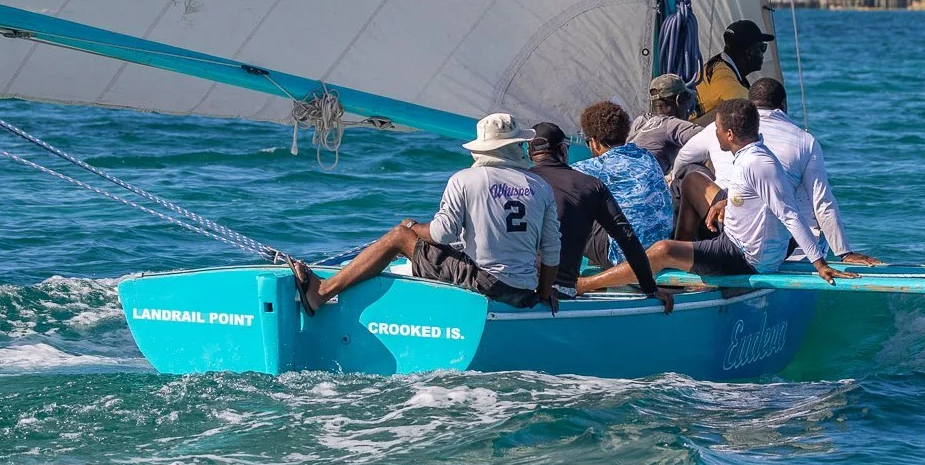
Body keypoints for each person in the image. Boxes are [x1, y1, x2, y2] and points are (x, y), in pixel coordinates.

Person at [289, 113, 561, 314]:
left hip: (487, 285)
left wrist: (413, 228)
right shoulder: (540, 187)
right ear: (517, 146)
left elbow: (443, 234)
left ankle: (320, 293)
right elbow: (551, 251)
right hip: (525, 291)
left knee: (398, 236)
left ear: (482, 148)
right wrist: (543, 293)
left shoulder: (465, 179)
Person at [578, 99, 858, 293]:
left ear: (729, 133)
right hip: (743, 237)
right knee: (692, 178)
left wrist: (819, 264)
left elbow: (789, 214)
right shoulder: (748, 155)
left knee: (663, 250)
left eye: (716, 129)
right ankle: (685, 245)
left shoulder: (757, 163)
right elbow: (756, 197)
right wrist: (726, 203)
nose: (713, 134)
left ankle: (584, 284)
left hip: (745, 255)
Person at [525, 122, 670, 311]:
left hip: (516, 287)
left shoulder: (514, 183)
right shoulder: (591, 185)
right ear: (562, 149)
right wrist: (650, 288)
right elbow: (626, 236)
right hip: (561, 292)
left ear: (530, 154)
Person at [749, 78, 882, 267]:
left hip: (728, 240)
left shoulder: (719, 131)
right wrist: (844, 252)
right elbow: (822, 202)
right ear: (784, 104)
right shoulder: (804, 141)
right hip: (769, 250)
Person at [570, 102, 675, 261]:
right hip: (658, 245)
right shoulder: (645, 156)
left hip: (622, 257)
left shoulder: (598, 165)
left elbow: (555, 180)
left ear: (595, 141)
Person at [694, 18, 775, 123]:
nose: (763, 53)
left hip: (695, 125)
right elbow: (756, 108)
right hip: (691, 131)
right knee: (740, 111)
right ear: (749, 53)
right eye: (762, 47)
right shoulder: (723, 77)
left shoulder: (718, 65)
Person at [628, 73, 703, 175]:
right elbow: (714, 136)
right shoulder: (670, 125)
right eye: (685, 99)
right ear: (679, 100)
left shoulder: (640, 121)